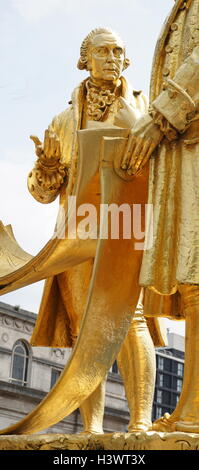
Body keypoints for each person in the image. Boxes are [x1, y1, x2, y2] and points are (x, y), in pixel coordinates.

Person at [26, 28, 164, 434]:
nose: (112, 57)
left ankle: (141, 422)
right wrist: (48, 172)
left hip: (130, 227)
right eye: (102, 51)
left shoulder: (147, 111)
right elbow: (42, 193)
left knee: (131, 321)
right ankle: (92, 430)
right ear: (84, 59)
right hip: (78, 231)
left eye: (118, 50)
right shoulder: (62, 120)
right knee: (86, 328)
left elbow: (165, 173)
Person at [122, 0, 199, 432]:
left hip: (189, 140)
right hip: (185, 147)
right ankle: (192, 406)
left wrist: (161, 116)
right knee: (192, 277)